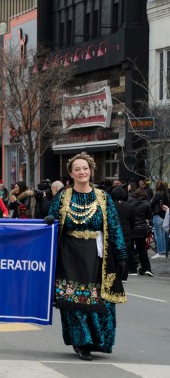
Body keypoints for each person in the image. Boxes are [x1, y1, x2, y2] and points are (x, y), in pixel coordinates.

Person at [47, 152, 127, 361]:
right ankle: (81, 343)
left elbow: (114, 226)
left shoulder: (103, 197)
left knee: (98, 297)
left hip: (97, 254)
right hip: (69, 253)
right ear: (71, 174)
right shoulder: (63, 196)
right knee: (74, 298)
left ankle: (97, 340)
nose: (82, 172)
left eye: (85, 168)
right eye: (77, 169)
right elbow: (51, 222)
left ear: (91, 170)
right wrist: (48, 220)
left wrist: (121, 255)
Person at [110, 187, 134, 281]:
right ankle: (125, 275)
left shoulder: (111, 205)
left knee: (115, 252)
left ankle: (117, 272)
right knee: (126, 252)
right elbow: (133, 220)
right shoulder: (128, 206)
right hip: (126, 231)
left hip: (115, 231)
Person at [130, 188, 154, 277]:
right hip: (141, 229)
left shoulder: (130, 202)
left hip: (132, 228)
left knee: (131, 249)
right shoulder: (146, 203)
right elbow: (149, 216)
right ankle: (146, 268)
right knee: (142, 249)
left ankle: (132, 268)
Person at [149, 180, 169, 259]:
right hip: (164, 216)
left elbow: (151, 204)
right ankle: (163, 252)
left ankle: (160, 252)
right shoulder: (166, 195)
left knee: (158, 235)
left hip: (157, 215)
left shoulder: (157, 194)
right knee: (163, 235)